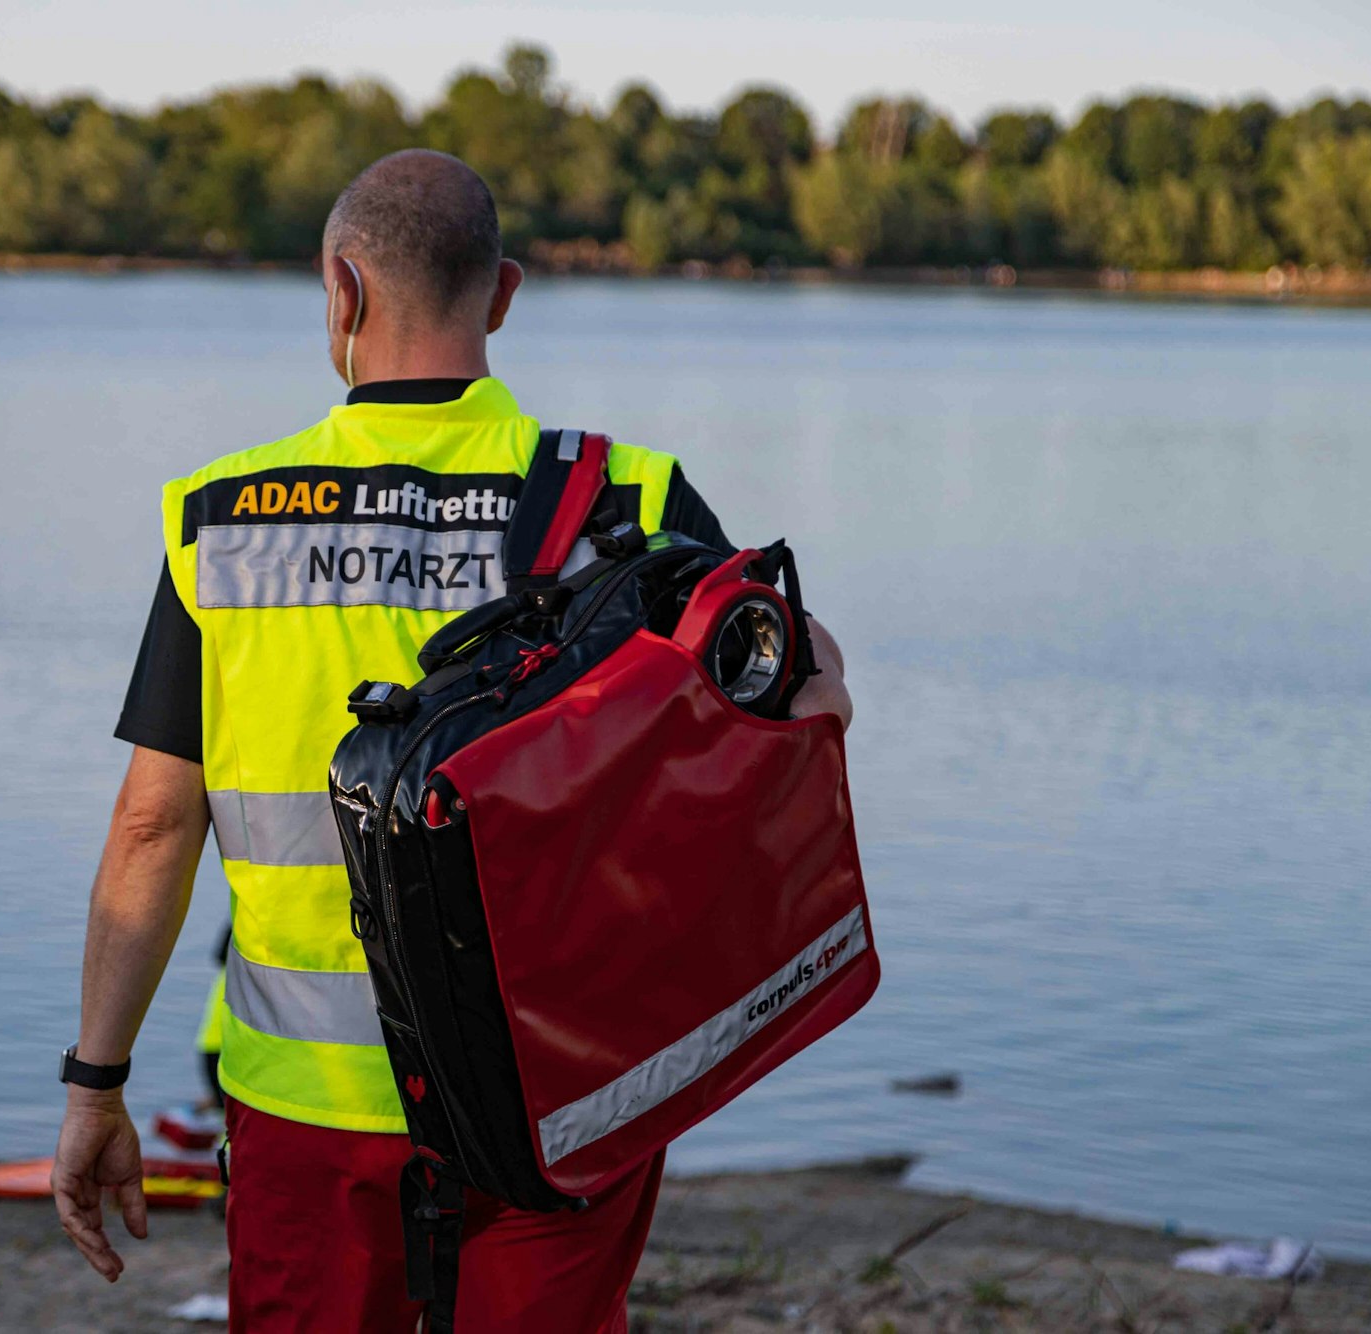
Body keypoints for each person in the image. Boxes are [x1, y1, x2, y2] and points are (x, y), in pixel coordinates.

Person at [53, 150, 851, 1331]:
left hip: (309, 1100)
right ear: (504, 294)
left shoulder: (222, 521)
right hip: (559, 1090)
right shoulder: (624, 499)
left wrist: (97, 1083)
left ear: (341, 293)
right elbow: (803, 700)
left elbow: (152, 824)